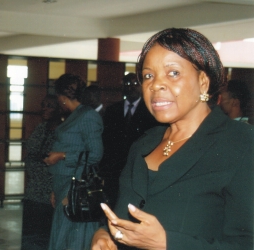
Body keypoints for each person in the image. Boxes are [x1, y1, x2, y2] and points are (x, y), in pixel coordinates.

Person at [92, 28, 253, 250]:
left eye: (173, 73)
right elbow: (123, 215)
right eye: (148, 75)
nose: (155, 85)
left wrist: (167, 244)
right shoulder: (143, 144)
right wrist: (104, 234)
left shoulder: (241, 144)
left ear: (203, 82)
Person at [43, 73, 103, 250]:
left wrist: (62, 155)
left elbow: (95, 154)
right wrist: (56, 189)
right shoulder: (75, 115)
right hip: (63, 185)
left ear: (62, 96)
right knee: (63, 238)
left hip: (74, 188)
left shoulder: (87, 116)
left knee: (71, 239)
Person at [100, 73, 162, 207]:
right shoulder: (112, 110)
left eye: (135, 84)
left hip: (138, 166)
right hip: (114, 168)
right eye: (127, 85)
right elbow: (106, 141)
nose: (131, 88)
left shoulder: (150, 111)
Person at [21, 94, 61, 250]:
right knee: (30, 239)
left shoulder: (62, 131)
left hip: (49, 195)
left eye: (49, 105)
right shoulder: (41, 128)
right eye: (43, 104)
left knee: (46, 239)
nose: (44, 108)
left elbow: (49, 156)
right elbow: (32, 151)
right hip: (33, 192)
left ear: (59, 109)